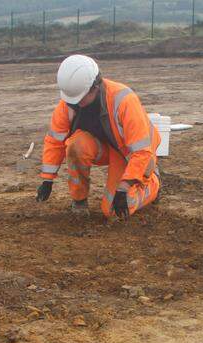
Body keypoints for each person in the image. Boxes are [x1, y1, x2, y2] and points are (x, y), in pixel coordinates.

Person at [36, 55, 161, 222]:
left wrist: (124, 187)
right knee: (75, 145)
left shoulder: (123, 100)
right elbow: (54, 141)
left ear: (95, 87)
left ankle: (155, 184)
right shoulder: (70, 102)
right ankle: (79, 201)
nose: (75, 104)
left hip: (130, 154)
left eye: (79, 99)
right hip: (103, 148)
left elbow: (142, 152)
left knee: (113, 212)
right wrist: (47, 179)